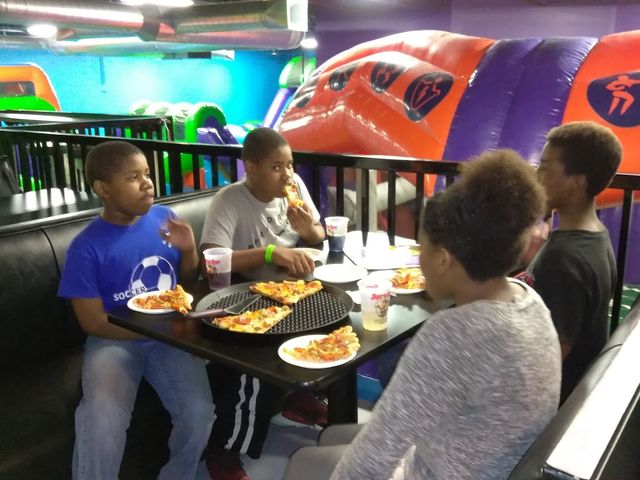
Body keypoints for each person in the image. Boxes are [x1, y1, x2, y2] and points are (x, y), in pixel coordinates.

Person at [283, 149, 562, 480]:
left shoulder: (452, 334)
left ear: (443, 259)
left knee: (303, 463)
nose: (418, 259)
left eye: (421, 247)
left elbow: (371, 460)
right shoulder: (531, 303)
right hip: (493, 460)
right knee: (332, 435)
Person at [58, 141, 214, 480]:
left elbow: (185, 284)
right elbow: (93, 322)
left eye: (146, 174)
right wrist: (158, 329)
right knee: (102, 417)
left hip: (168, 339)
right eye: (133, 177)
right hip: (113, 340)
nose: (147, 184)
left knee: (200, 412)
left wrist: (189, 251)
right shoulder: (85, 247)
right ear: (104, 189)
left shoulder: (165, 219)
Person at [200, 127, 325, 480]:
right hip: (246, 295)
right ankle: (224, 450)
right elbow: (211, 260)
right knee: (258, 362)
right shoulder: (229, 200)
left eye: (290, 165)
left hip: (292, 289)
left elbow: (318, 235)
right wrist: (269, 253)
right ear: (251, 168)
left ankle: (296, 397)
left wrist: (308, 229)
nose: (288, 174)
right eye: (277, 167)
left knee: (335, 324)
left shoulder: (295, 187)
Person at [522, 121, 622, 404]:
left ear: (576, 182)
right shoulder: (596, 235)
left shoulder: (563, 259)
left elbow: (543, 367)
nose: (536, 175)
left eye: (545, 167)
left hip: (552, 405)